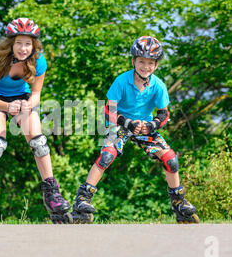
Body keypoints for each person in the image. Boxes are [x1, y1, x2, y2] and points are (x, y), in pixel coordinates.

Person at [71, 36, 199, 224]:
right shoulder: (122, 81)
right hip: (120, 124)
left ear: (156, 65)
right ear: (133, 61)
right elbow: (108, 110)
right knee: (107, 155)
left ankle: (179, 202)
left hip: (145, 127)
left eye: (150, 63)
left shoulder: (159, 86)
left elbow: (164, 114)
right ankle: (83, 199)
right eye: (141, 61)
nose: (145, 67)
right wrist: (128, 122)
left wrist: (152, 125)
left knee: (171, 159)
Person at [0, 18, 72, 224]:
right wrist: (6, 107)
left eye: (28, 43)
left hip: (22, 98)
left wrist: (29, 104)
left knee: (39, 142)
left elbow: (37, 93)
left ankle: (52, 193)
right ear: (11, 43)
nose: (23, 48)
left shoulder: (39, 62)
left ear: (34, 45)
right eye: (19, 42)